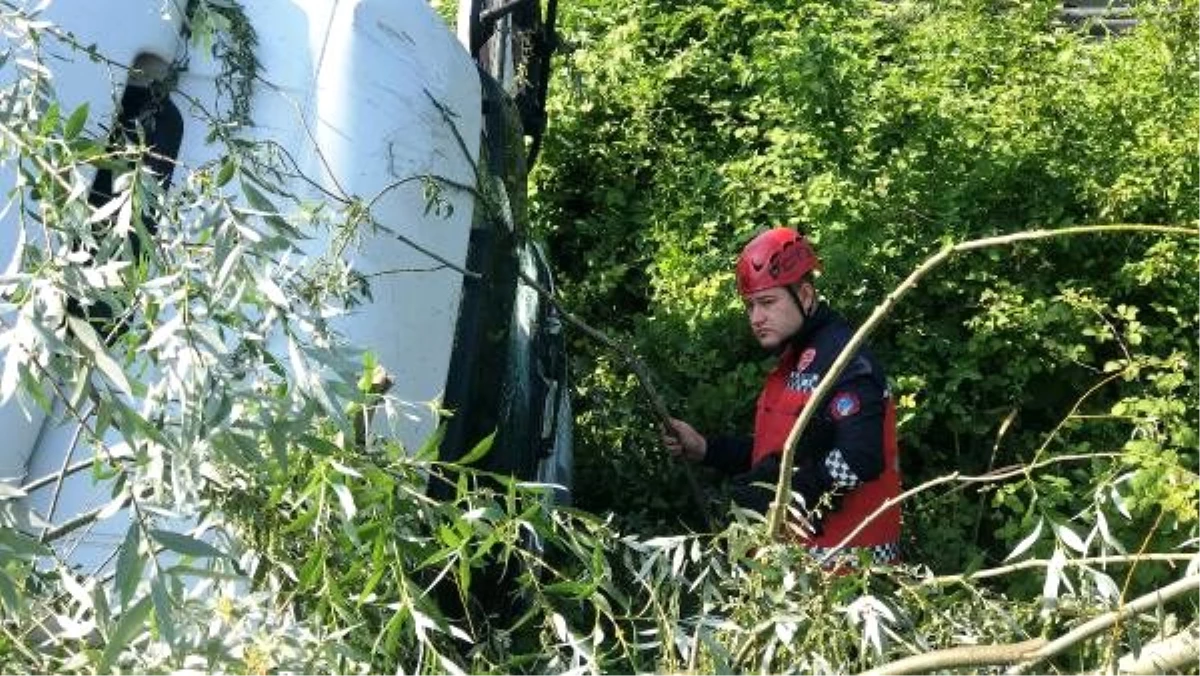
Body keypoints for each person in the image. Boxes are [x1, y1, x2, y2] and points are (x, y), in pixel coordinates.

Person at [663, 227, 902, 566]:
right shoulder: (794, 360)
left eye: (767, 302)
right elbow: (776, 456)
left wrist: (785, 498)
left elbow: (860, 456)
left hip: (848, 577)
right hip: (794, 573)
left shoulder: (843, 359)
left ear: (804, 296)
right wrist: (706, 448)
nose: (756, 318)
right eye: (750, 306)